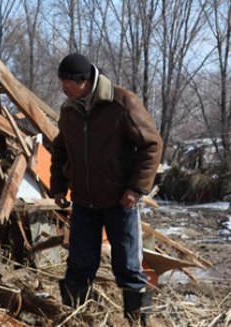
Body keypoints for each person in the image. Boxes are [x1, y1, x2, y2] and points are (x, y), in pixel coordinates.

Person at [50, 53, 162, 326]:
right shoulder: (69, 110)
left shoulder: (122, 103)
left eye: (67, 82)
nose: (63, 88)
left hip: (120, 202)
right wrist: (58, 187)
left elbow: (152, 145)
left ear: (83, 81)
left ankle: (138, 322)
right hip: (84, 203)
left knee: (128, 268)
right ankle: (79, 320)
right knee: (78, 267)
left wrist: (136, 188)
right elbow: (60, 150)